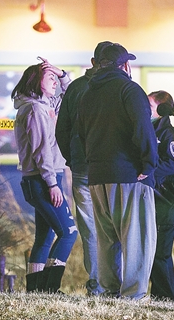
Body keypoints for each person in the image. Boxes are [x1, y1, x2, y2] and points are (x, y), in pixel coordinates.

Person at [76, 43, 158, 300]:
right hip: (129, 174)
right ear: (124, 65)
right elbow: (143, 129)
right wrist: (149, 164)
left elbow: (79, 134)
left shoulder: (88, 94)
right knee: (136, 238)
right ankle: (132, 295)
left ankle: (109, 290)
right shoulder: (129, 90)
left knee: (106, 238)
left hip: (97, 175)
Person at [55, 41, 120, 296]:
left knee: (90, 228)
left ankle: (96, 284)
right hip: (111, 168)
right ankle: (114, 282)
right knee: (113, 226)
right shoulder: (118, 87)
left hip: (82, 167)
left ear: (93, 62)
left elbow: (62, 129)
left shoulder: (77, 88)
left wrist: (72, 158)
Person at [12, 58, 77, 293]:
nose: (55, 82)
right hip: (44, 180)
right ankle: (49, 289)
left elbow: (70, 97)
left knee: (44, 237)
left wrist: (62, 74)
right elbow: (41, 151)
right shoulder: (36, 110)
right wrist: (52, 184)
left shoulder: (44, 106)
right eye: (49, 77)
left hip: (41, 179)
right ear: (35, 81)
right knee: (68, 233)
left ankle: (35, 291)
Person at [148, 91, 174, 302]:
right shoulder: (146, 130)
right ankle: (157, 297)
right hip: (151, 197)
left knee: (161, 252)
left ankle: (164, 299)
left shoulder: (171, 136)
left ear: (162, 110)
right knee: (151, 251)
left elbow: (173, 165)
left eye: (149, 106)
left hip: (166, 199)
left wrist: (146, 172)